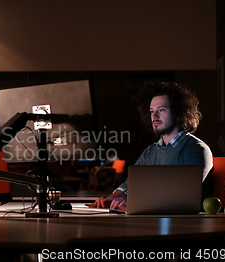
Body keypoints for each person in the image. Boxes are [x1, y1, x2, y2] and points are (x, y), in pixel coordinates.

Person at [90, 81, 213, 211]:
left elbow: (181, 196)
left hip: (182, 224)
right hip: (153, 220)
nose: (154, 116)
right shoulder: (150, 151)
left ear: (178, 112)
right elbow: (129, 185)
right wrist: (114, 198)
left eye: (161, 110)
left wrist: (133, 204)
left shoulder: (196, 149)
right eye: (151, 111)